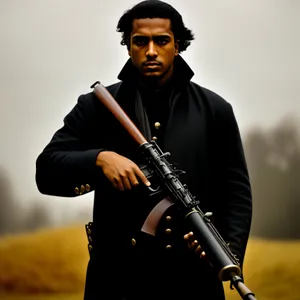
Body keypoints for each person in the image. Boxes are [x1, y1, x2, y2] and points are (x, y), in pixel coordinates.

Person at [35, 1, 252, 299]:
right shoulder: (96, 106)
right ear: (128, 47)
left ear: (178, 46)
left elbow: (237, 193)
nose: (151, 51)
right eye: (140, 41)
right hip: (116, 281)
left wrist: (226, 251)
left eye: (161, 40)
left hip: (192, 282)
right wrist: (99, 159)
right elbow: (46, 170)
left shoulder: (215, 110)